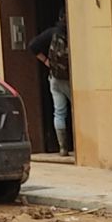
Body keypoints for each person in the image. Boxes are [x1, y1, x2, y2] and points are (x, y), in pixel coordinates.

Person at [29, 12, 72, 154]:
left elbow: (33, 45)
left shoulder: (51, 32)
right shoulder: (73, 31)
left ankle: (62, 147)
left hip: (55, 78)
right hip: (70, 78)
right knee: (77, 111)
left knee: (59, 112)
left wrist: (47, 61)